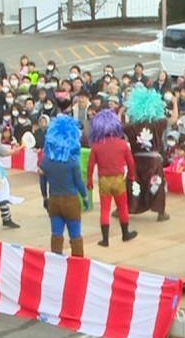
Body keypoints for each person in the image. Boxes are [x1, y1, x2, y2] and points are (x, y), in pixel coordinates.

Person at [37, 115, 89, 257]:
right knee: (75, 235)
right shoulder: (72, 161)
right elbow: (79, 182)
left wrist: (44, 197)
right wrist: (85, 197)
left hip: (54, 199)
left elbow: (42, 181)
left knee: (56, 234)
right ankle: (78, 261)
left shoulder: (46, 161)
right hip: (71, 200)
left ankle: (56, 259)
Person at [87, 110, 137, 247]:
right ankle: (125, 234)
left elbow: (90, 165)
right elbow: (131, 162)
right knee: (122, 207)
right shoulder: (122, 144)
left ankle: (105, 239)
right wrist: (132, 177)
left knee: (104, 209)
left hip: (104, 180)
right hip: (119, 179)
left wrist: (89, 181)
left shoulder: (96, 146)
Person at [123, 86, 169, 222]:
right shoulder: (158, 124)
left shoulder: (131, 126)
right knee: (157, 183)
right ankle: (161, 212)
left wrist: (123, 112)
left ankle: (125, 208)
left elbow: (122, 125)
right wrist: (176, 103)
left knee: (133, 183)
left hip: (136, 160)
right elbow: (173, 119)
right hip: (154, 161)